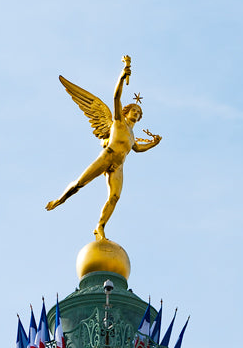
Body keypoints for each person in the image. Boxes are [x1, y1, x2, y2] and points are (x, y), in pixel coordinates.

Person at [46, 55, 162, 240]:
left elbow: (137, 149)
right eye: (134, 110)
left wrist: (153, 144)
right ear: (127, 111)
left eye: (139, 113)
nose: (137, 113)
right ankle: (61, 199)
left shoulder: (132, 135)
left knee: (114, 197)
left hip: (119, 165)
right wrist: (122, 76)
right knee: (79, 184)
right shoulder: (117, 121)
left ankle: (99, 227)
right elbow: (116, 96)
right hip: (107, 156)